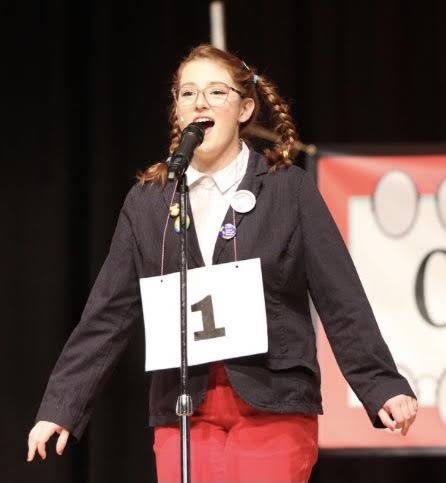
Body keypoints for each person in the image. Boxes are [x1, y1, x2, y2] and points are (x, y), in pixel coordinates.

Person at [27, 44, 417, 482]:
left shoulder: (288, 190)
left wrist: (382, 385)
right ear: (176, 109)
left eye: (216, 92)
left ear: (244, 108)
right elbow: (108, 313)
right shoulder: (150, 201)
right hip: (183, 404)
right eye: (187, 93)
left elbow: (341, 297)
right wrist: (61, 407)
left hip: (274, 400)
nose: (200, 103)